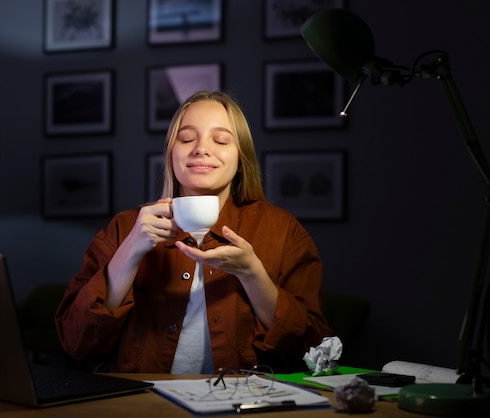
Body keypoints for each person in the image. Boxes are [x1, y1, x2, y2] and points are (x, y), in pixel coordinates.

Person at [55, 91, 332, 374]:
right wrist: (130, 250)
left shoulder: (282, 230)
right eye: (187, 139)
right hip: (142, 404)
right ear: (171, 155)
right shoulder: (125, 227)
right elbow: (76, 342)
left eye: (221, 140)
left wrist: (252, 274)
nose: (201, 149)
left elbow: (312, 351)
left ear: (241, 157)